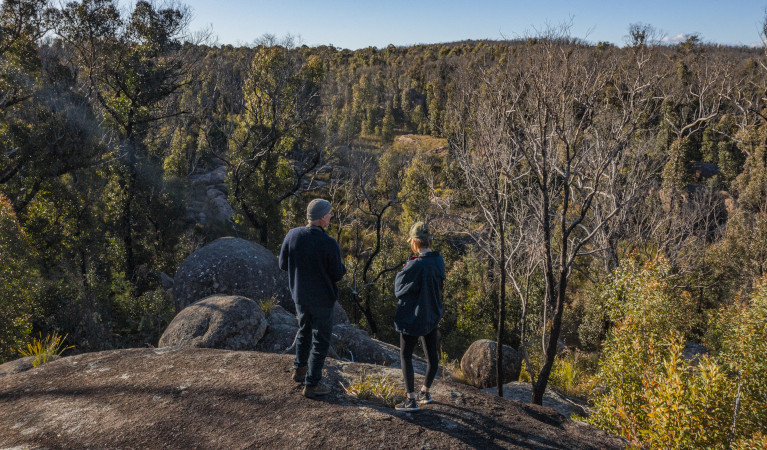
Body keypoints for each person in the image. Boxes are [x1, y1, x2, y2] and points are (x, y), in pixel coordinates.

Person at [279, 198, 346, 398]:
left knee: (304, 330)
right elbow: (337, 274)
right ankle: (312, 383)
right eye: (330, 214)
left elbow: (283, 264)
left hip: (300, 296)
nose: (331, 217)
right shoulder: (328, 243)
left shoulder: (292, 235)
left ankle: (299, 369)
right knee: (321, 340)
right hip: (322, 300)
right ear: (322, 217)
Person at [393, 222, 445, 412]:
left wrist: (406, 267)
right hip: (431, 315)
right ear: (429, 240)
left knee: (406, 356)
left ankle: (411, 400)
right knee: (432, 357)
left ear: (414, 242)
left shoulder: (415, 264)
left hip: (412, 318)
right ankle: (425, 392)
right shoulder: (438, 260)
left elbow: (398, 289)